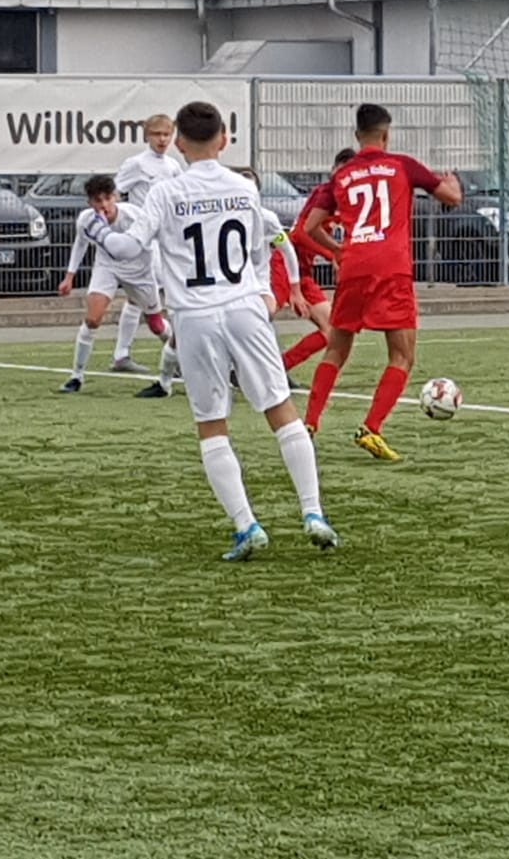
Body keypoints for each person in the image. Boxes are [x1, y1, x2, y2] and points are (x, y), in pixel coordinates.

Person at [82, 100, 338, 559]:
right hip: (244, 310)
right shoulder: (244, 187)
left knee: (212, 424)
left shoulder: (166, 192)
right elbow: (261, 249)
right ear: (224, 139)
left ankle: (246, 525)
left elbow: (127, 248)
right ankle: (313, 512)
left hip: (195, 317)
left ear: (179, 144)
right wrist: (264, 292)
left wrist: (95, 230)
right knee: (281, 410)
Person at [300, 104, 462, 461]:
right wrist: (454, 185)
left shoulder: (342, 175)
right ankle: (371, 428)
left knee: (336, 349)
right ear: (386, 134)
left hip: (354, 265)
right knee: (402, 355)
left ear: (357, 136)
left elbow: (310, 226)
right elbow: (451, 198)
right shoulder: (402, 165)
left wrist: (338, 251)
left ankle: (308, 424)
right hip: (391, 267)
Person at [133, 171, 304, 400]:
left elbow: (287, 249)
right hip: (221, 286)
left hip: (256, 285)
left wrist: (295, 288)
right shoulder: (212, 216)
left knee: (261, 318)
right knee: (181, 337)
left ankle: (274, 376)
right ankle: (164, 384)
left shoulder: (266, 219)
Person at [56, 174, 172, 394]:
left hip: (140, 271)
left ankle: (179, 358)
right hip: (107, 268)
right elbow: (80, 243)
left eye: (108, 198)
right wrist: (69, 276)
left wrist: (163, 271)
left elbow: (159, 239)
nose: (104, 205)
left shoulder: (133, 215)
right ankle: (76, 376)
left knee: (156, 325)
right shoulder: (86, 220)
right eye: (98, 200)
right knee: (93, 319)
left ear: (115, 197)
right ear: (90, 202)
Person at [106, 114, 183, 375]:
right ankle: (177, 352)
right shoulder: (136, 164)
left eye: (166, 134)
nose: (162, 139)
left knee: (142, 297)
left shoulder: (173, 166)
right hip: (144, 239)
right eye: (157, 134)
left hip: (166, 238)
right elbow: (114, 193)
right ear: (147, 136)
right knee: (148, 295)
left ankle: (122, 354)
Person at [276, 148, 355, 373]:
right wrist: (332, 254)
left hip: (302, 272)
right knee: (262, 316)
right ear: (333, 170)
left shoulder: (348, 200)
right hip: (282, 263)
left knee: (331, 330)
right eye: (341, 171)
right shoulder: (324, 194)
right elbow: (300, 234)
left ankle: (279, 368)